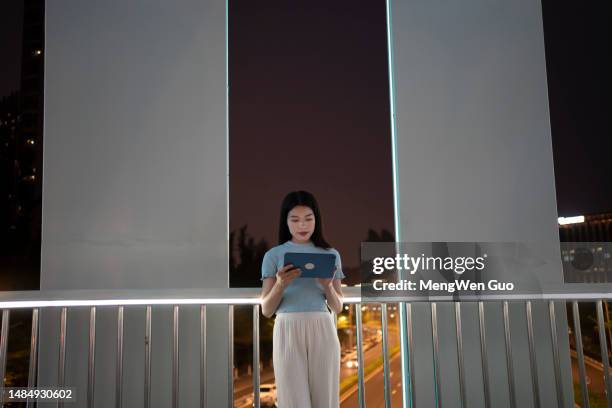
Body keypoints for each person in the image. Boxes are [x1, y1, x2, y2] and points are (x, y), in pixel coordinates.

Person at [260, 190, 344, 408]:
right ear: (285, 222)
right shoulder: (273, 255)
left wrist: (327, 287)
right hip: (287, 327)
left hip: (322, 326)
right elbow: (266, 309)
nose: (302, 225)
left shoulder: (331, 254)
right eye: (295, 220)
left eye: (308, 218)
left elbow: (338, 307)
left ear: (317, 219)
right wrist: (280, 284)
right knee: (292, 400)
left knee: (325, 399)